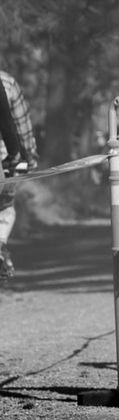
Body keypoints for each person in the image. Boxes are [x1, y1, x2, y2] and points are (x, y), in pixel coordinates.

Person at [0, 71, 38, 278]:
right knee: (5, 207)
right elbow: (14, 124)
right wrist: (24, 156)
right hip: (3, 157)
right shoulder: (6, 82)